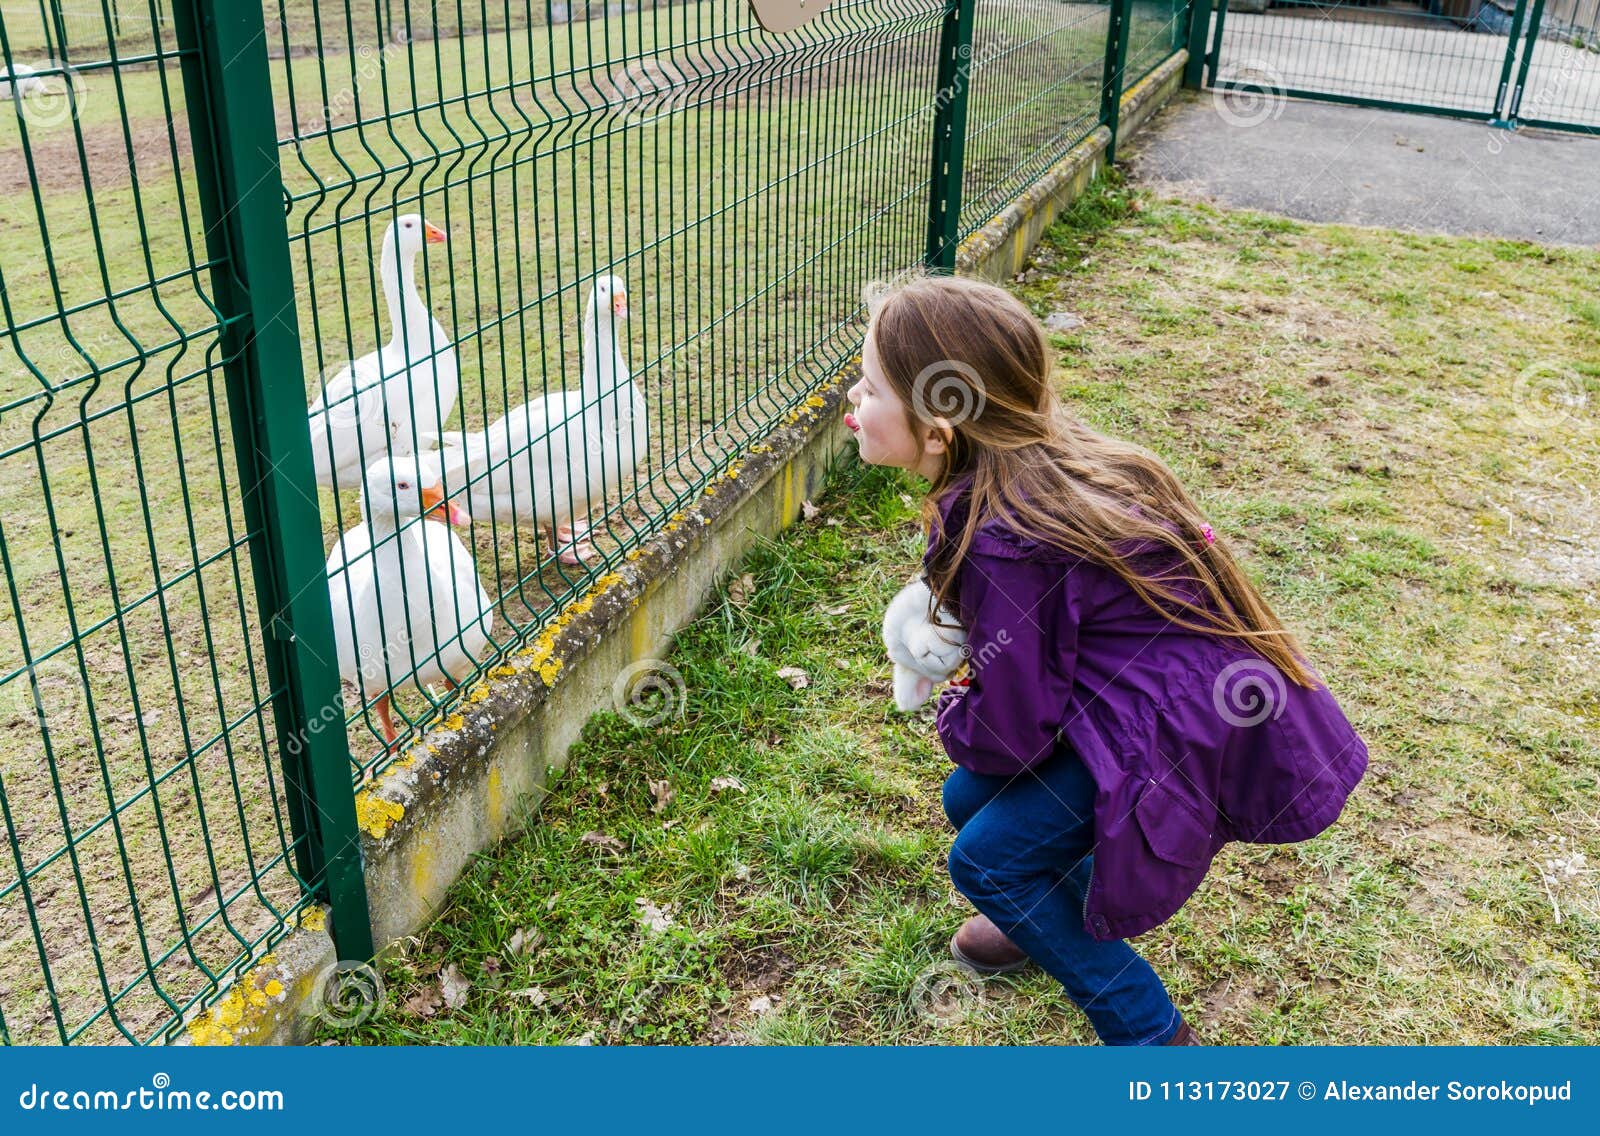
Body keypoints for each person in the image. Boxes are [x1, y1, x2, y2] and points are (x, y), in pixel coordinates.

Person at [843, 272, 1367, 1046]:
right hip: (1138, 700)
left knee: (985, 860)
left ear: (939, 429)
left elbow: (1015, 729)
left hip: (1173, 728)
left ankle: (1153, 1039)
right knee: (971, 800)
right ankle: (1040, 924)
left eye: (873, 387)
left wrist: (956, 708)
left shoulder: (1002, 540)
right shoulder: (1018, 472)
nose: (853, 397)